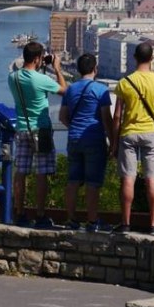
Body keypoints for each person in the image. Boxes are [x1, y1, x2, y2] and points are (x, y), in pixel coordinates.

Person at [111, 42, 154, 234]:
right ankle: (153, 223)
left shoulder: (125, 83)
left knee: (128, 178)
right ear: (152, 58)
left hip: (128, 132)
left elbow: (117, 115)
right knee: (151, 179)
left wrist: (114, 140)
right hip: (151, 132)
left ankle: (126, 222)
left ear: (134, 57)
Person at [8, 41, 67, 228]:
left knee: (21, 172)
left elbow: (30, 79)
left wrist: (41, 67)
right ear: (37, 58)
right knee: (41, 173)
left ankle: (19, 212)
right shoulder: (41, 80)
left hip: (22, 129)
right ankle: (40, 214)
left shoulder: (13, 77)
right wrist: (57, 69)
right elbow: (64, 90)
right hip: (40, 130)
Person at [58, 53, 112, 232]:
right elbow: (106, 119)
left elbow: (62, 117)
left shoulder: (70, 90)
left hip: (74, 138)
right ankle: (92, 221)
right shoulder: (101, 90)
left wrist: (74, 127)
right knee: (92, 182)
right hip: (94, 139)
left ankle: (71, 219)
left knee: (73, 180)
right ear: (95, 69)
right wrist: (112, 142)